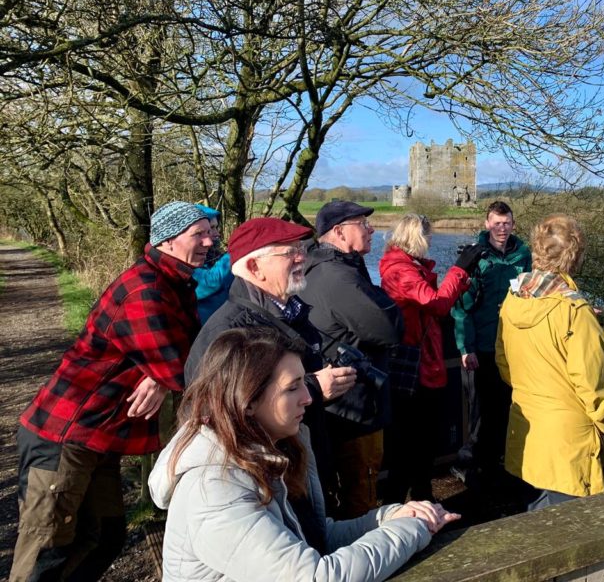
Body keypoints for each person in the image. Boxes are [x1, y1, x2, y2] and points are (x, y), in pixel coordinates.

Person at [151, 327, 459, 582]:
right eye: (292, 388)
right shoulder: (215, 488)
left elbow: (316, 537)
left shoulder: (273, 448)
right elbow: (314, 577)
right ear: (248, 401)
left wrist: (391, 517)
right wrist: (414, 530)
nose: (308, 397)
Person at [11, 201, 212, 582]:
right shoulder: (145, 290)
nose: (209, 241)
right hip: (64, 435)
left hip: (98, 437)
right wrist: (164, 374)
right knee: (45, 552)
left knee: (104, 537)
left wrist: (156, 376)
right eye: (198, 233)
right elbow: (185, 367)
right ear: (168, 241)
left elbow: (186, 346)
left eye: (210, 232)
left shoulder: (175, 283)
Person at [185, 217, 356, 512]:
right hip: (268, 484)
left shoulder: (291, 312)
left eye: (301, 248)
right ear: (254, 267)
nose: (302, 256)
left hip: (300, 466)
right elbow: (216, 414)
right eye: (289, 252)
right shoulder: (230, 333)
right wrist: (314, 387)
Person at [496, 214, 604, 510]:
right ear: (575, 257)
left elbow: (504, 363)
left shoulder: (513, 300)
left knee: (533, 532)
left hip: (527, 432)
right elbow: (595, 387)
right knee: (571, 539)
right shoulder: (574, 311)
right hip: (568, 445)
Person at [377, 214, 487, 503]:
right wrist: (459, 270)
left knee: (422, 439)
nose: (430, 242)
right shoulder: (400, 270)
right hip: (414, 365)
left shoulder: (405, 266)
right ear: (417, 237)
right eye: (428, 237)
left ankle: (422, 499)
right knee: (411, 441)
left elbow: (438, 300)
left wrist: (463, 277)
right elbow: (436, 303)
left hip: (423, 361)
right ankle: (399, 505)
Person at [303, 200, 403, 518]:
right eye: (362, 223)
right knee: (362, 489)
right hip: (355, 409)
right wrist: (385, 301)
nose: (371, 229)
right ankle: (366, 552)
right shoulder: (338, 278)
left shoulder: (324, 268)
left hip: (338, 404)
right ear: (340, 232)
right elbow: (390, 326)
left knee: (342, 489)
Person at [451, 200, 531, 484]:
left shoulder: (523, 254)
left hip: (511, 345)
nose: (502, 229)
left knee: (507, 406)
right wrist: (465, 347)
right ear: (487, 224)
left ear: (513, 224)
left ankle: (498, 463)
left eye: (506, 223)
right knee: (479, 411)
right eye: (496, 223)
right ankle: (468, 466)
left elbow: (535, 291)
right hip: (482, 345)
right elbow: (461, 307)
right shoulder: (476, 256)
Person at [192, 204, 234, 323]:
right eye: (211, 229)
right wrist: (236, 251)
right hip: (203, 332)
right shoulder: (187, 260)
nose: (217, 234)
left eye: (216, 228)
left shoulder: (213, 255)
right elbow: (211, 282)